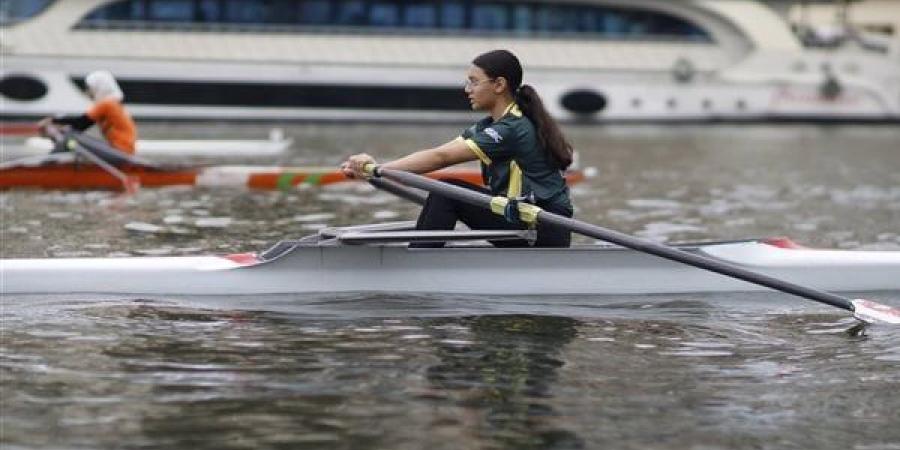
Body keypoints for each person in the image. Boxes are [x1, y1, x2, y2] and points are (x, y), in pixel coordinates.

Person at [341, 49, 574, 248]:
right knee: (447, 192)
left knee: (446, 192)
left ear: (499, 85)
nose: (467, 89)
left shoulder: (512, 128)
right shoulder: (490, 126)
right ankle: (420, 256)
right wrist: (374, 171)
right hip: (520, 217)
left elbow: (441, 158)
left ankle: (417, 265)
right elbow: (439, 151)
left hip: (542, 230)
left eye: (474, 81)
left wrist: (377, 169)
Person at [40, 70, 137, 155]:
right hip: (122, 150)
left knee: (70, 139)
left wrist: (53, 121)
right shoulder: (113, 104)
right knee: (70, 139)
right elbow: (82, 124)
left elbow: (80, 124)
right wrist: (58, 127)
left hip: (119, 151)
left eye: (89, 88)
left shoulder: (106, 104)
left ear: (98, 87)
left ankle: (48, 165)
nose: (87, 92)